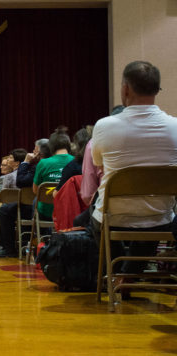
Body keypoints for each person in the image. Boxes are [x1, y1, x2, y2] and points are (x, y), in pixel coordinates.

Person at [90, 61, 177, 277]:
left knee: (92, 217)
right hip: (161, 217)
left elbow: (98, 164)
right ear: (157, 90)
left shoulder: (104, 126)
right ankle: (128, 276)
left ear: (125, 88)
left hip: (114, 217)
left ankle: (118, 275)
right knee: (152, 219)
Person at [0, 139, 49, 258]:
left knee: (4, 210)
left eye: (34, 150)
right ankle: (21, 244)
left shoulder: (38, 166)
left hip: (36, 207)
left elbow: (21, 182)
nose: (31, 152)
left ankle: (8, 248)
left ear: (39, 152)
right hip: (51, 204)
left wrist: (26, 162)